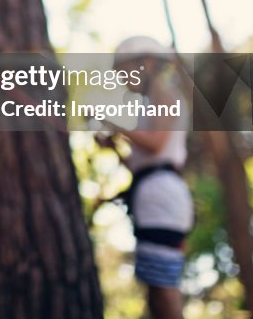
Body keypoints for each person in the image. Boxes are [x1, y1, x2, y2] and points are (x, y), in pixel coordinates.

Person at [97, 36, 192, 319]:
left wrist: (112, 122)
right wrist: (114, 147)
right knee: (156, 290)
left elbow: (155, 144)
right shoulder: (149, 105)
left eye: (126, 70)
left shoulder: (166, 97)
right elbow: (142, 162)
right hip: (154, 197)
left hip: (163, 200)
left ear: (147, 63)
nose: (123, 79)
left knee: (164, 290)